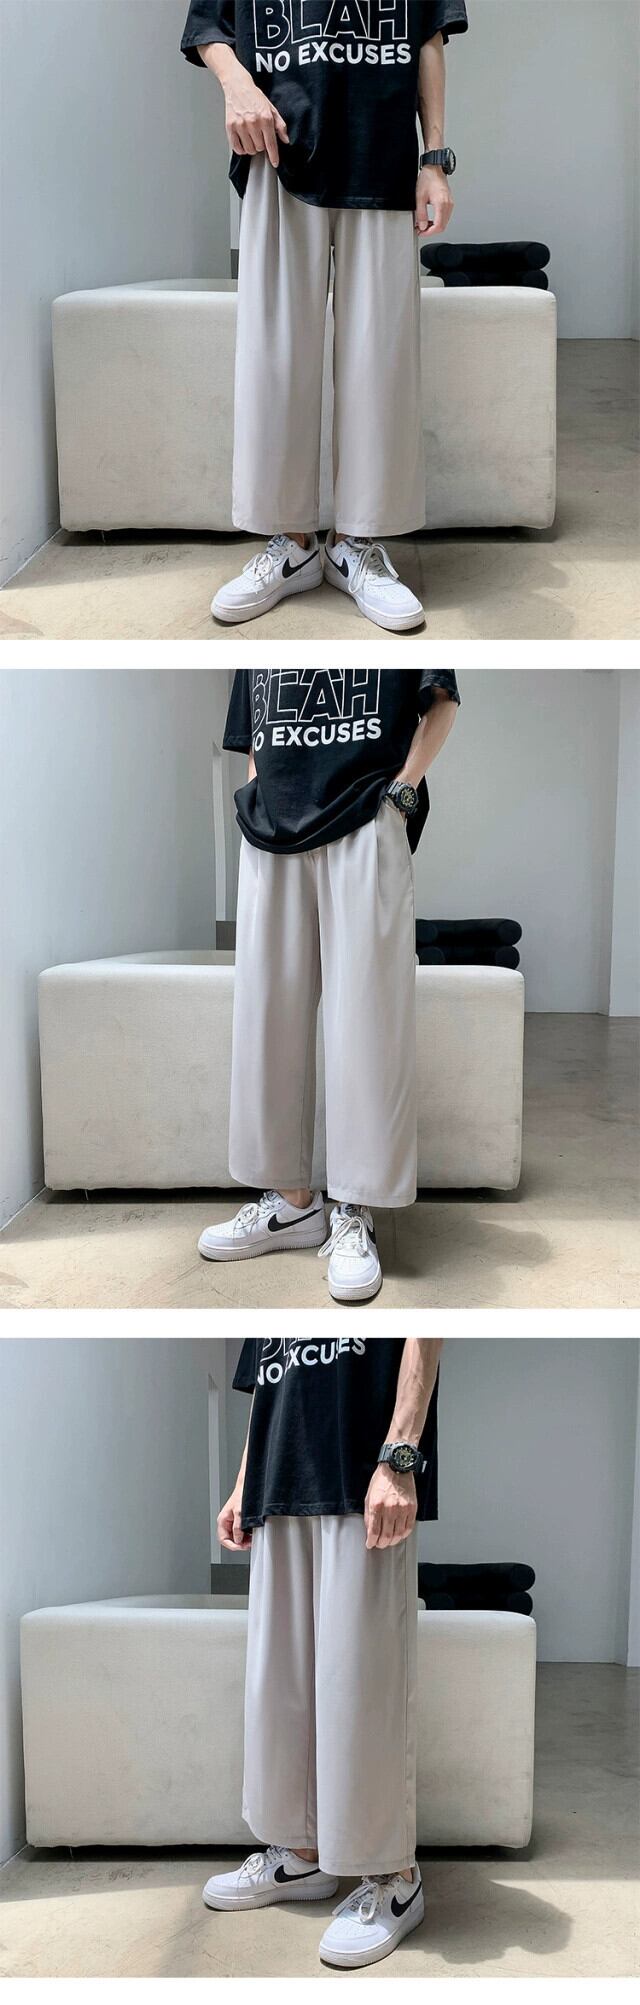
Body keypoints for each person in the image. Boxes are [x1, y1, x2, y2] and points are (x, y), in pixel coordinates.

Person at [181, 2, 468, 633]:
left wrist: (434, 160)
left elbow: (427, 35)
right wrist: (237, 85)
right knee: (273, 357)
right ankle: (291, 545)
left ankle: (356, 543)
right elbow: (209, 25)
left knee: (380, 360)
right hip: (277, 148)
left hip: (383, 155)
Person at [198, 667, 459, 1301]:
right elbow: (253, 727)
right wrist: (256, 792)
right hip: (270, 829)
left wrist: (401, 793)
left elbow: (441, 700)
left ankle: (353, 1209)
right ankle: (292, 1204)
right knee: (265, 1019)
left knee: (368, 1023)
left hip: (365, 814)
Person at [203, 1335, 442, 1970]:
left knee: (361, 1686)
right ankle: (301, 1856)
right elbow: (269, 1378)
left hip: (361, 1468)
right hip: (278, 1479)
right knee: (277, 1690)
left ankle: (394, 1876)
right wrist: (245, 1481)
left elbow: (426, 1332)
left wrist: (400, 1458)